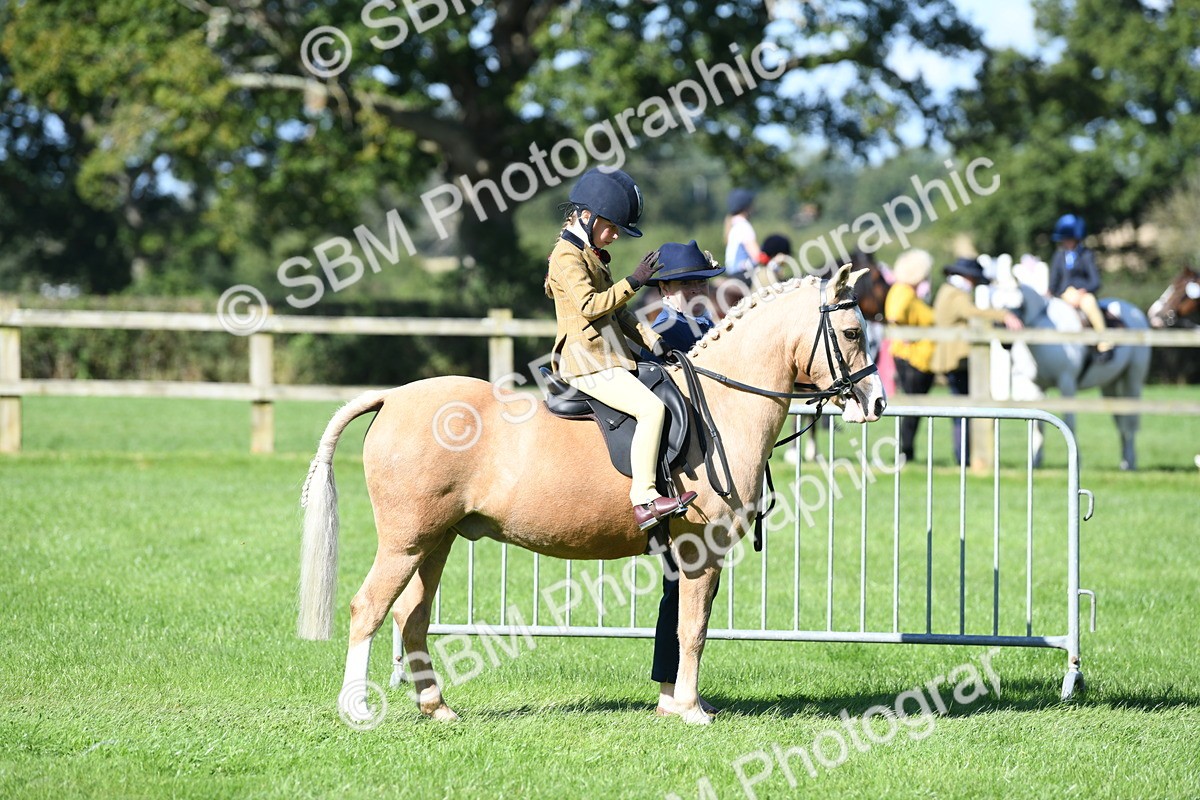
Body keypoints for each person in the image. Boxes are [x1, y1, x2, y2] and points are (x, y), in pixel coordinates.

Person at [545, 167, 697, 530]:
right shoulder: (566, 257)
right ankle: (644, 498)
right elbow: (591, 306)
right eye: (611, 226)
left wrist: (655, 342)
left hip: (609, 357)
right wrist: (633, 281)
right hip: (586, 363)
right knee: (651, 410)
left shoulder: (591, 254)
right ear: (586, 216)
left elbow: (621, 314)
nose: (614, 235)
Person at [640, 239, 724, 718]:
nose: (697, 288)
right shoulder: (666, 329)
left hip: (700, 458)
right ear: (666, 287)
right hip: (676, 463)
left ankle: (673, 688)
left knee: (685, 583)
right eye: (688, 281)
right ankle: (672, 690)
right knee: (682, 579)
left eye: (701, 281)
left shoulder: (708, 326)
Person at [931, 257, 1023, 465]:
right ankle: (963, 457)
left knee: (961, 409)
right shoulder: (955, 293)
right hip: (956, 358)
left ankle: (963, 455)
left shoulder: (950, 290)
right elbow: (970, 312)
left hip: (955, 357)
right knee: (962, 410)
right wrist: (1003, 315)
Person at [884, 249, 936, 462]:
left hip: (915, 357)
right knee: (912, 407)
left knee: (913, 407)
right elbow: (895, 316)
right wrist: (904, 336)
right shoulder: (903, 292)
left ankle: (907, 450)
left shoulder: (905, 291)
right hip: (911, 358)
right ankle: (906, 451)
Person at [1048, 213, 1111, 355]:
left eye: (1068, 239)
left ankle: (1104, 343)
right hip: (1063, 295)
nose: (1066, 242)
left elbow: (1095, 281)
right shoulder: (1058, 256)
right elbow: (1054, 282)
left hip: (1083, 295)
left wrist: (1083, 292)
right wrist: (1050, 293)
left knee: (1090, 304)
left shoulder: (1087, 255)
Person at [722, 188, 765, 285]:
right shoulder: (744, 226)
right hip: (744, 277)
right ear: (746, 207)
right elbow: (757, 256)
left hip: (732, 275)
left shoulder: (733, 225)